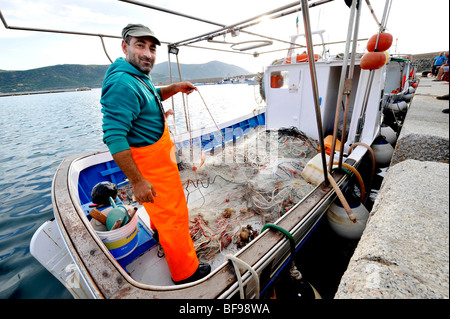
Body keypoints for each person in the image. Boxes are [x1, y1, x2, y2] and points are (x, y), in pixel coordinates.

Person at [100, 23, 211, 284]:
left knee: (162, 214)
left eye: (151, 48)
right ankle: (185, 272)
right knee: (174, 215)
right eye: (140, 45)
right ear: (125, 46)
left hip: (161, 160)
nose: (148, 53)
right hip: (152, 167)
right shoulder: (122, 84)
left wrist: (174, 87)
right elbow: (114, 137)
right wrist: (138, 182)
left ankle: (161, 236)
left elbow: (151, 97)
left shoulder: (137, 75)